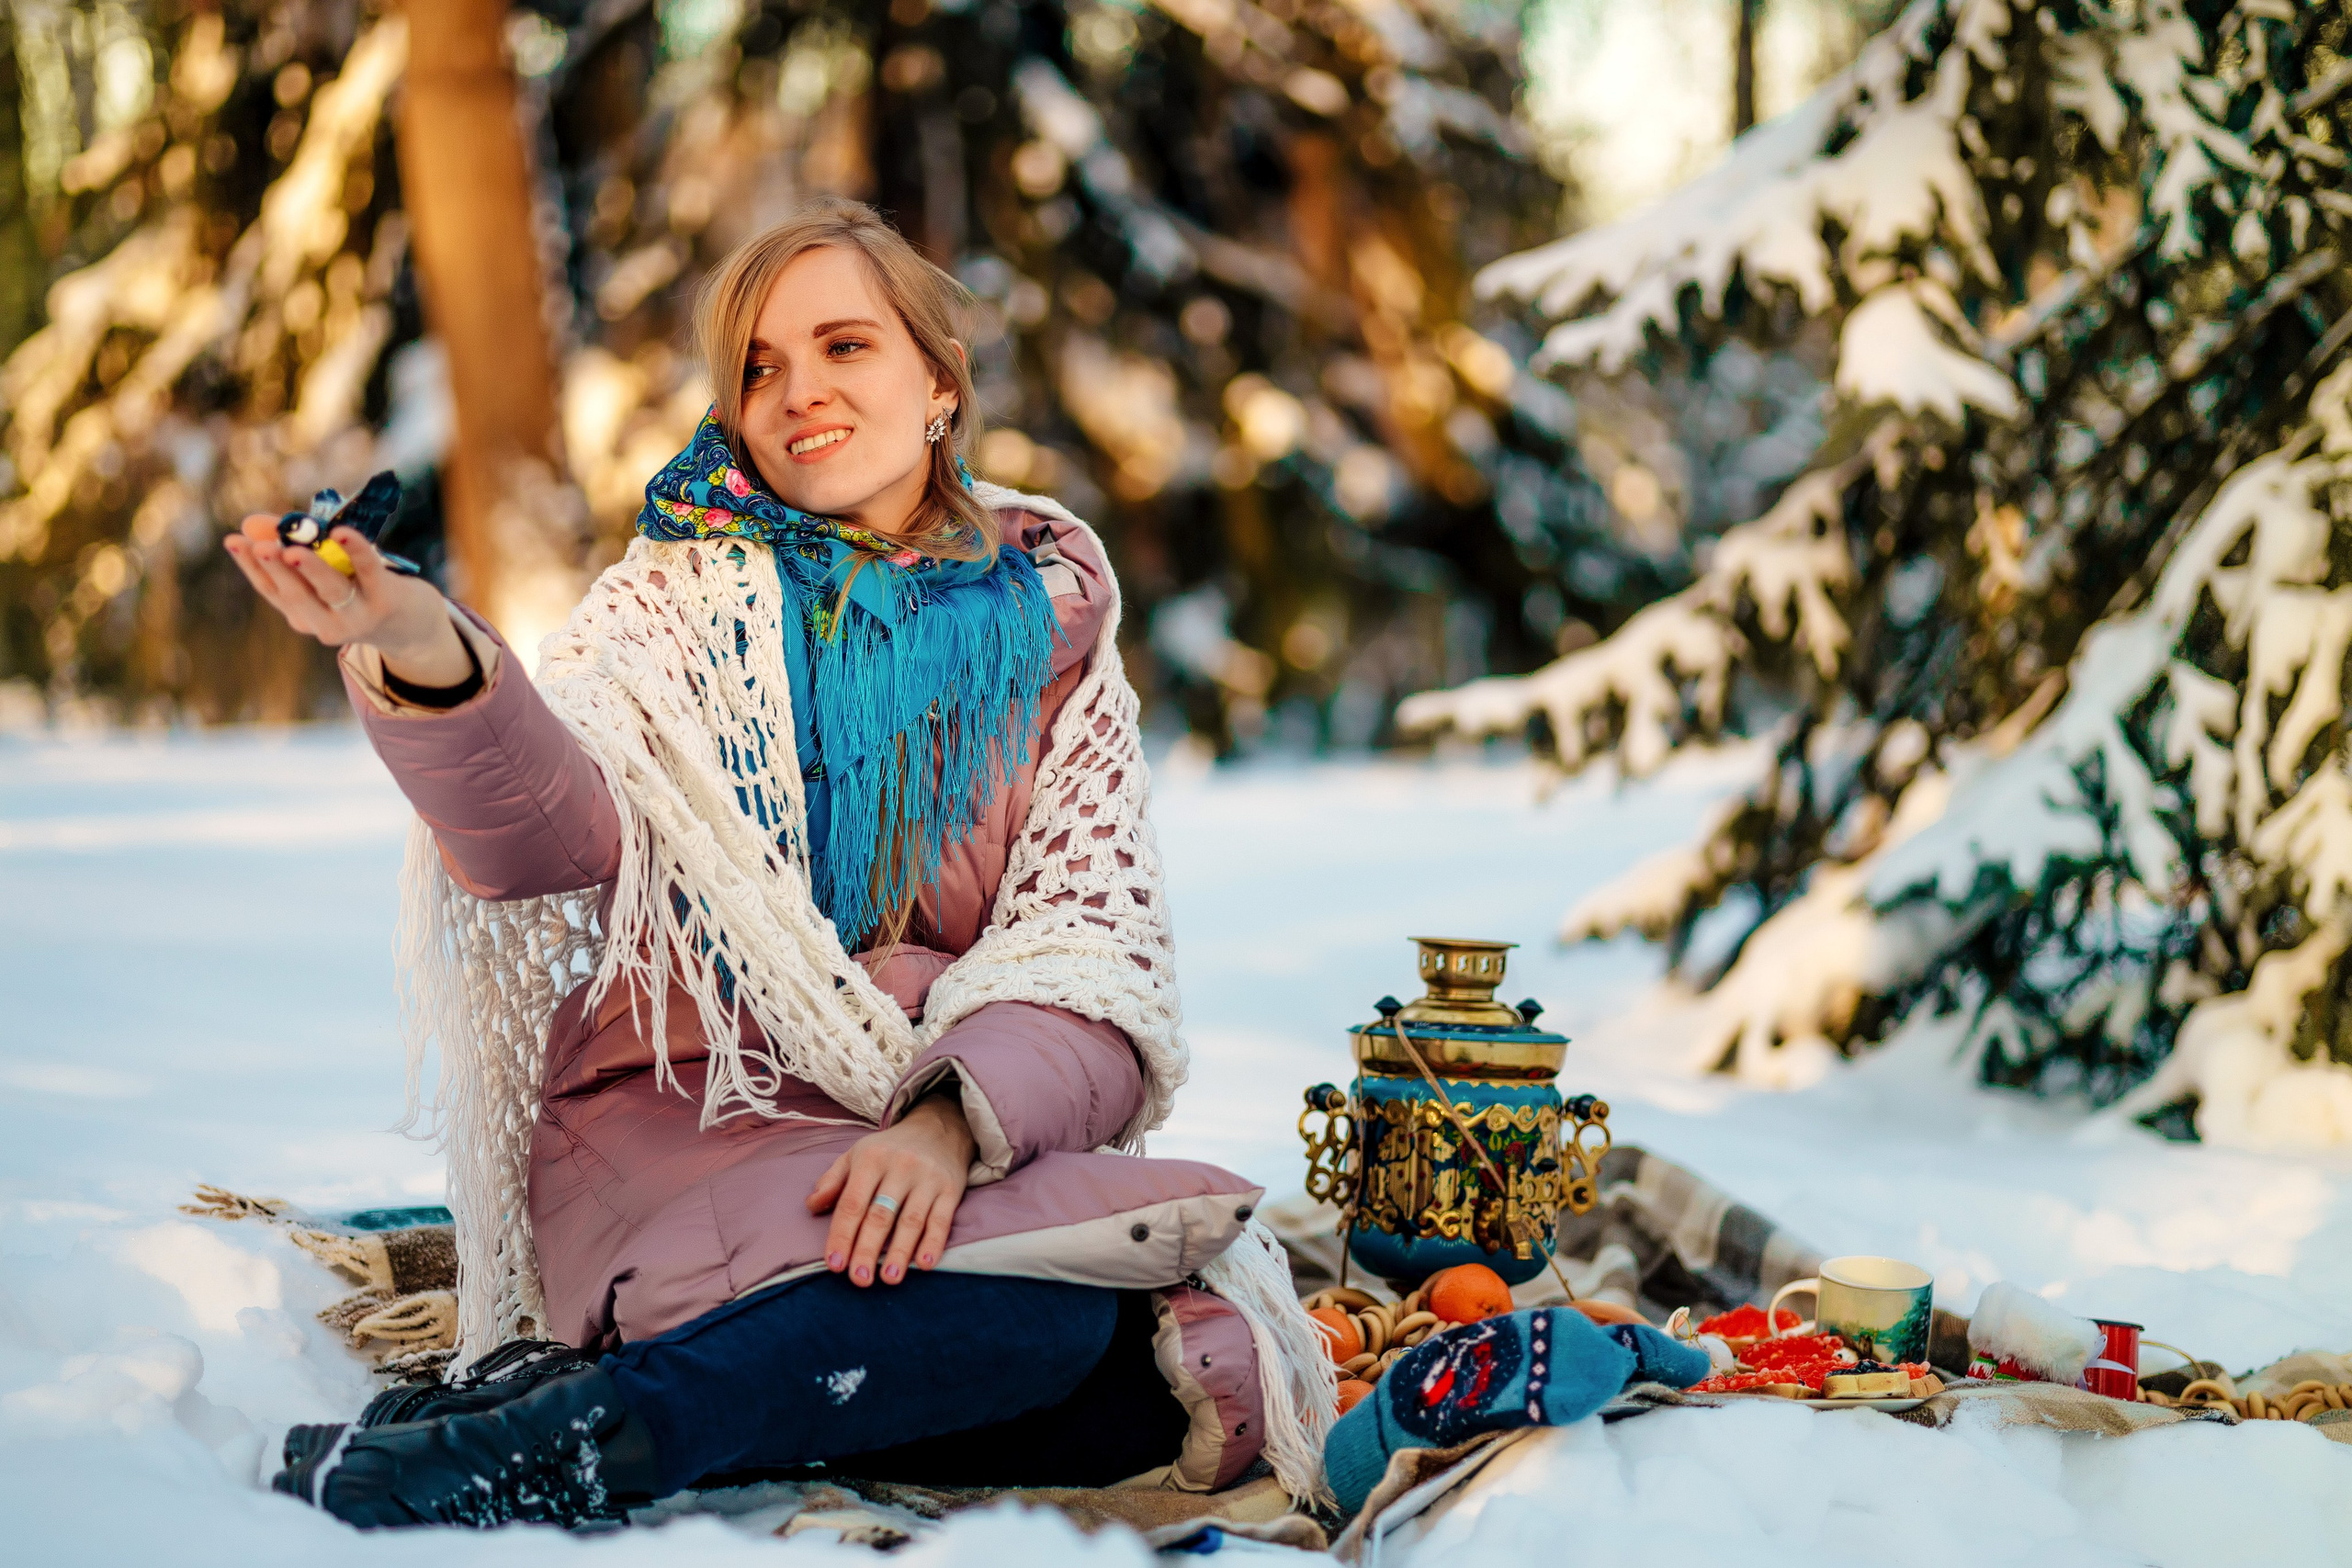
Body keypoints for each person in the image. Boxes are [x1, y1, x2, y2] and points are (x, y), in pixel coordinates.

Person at [225, 197, 1329, 1529]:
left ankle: (581, 1424)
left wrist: (946, 1123)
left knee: (1150, 1369)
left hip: (943, 1123)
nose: (796, 390)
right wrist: (418, 643)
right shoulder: (670, 609)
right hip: (685, 1106)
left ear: (937, 382)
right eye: (759, 365)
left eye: (844, 346)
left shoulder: (1052, 619)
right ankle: (598, 1435)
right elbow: (544, 835)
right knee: (998, 1331)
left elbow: (1093, 963)